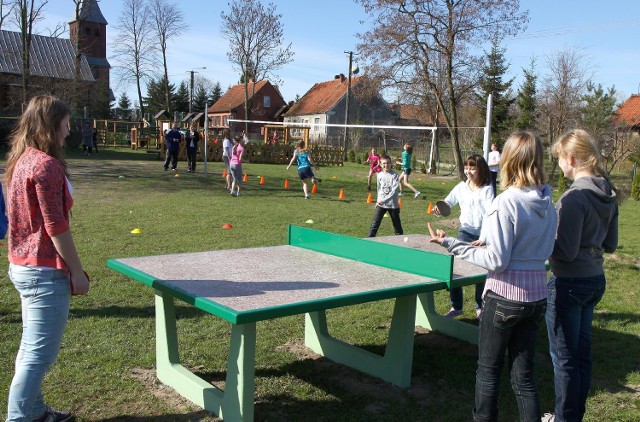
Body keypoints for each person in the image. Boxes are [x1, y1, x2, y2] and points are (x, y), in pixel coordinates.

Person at [428, 131, 557, 422]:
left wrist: (452, 244)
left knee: (488, 372)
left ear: (507, 160)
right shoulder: (549, 203)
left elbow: (496, 260)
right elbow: (546, 250)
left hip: (504, 300)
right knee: (523, 378)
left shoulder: (505, 202)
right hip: (536, 299)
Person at [3, 95, 90, 422]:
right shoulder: (45, 166)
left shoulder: (21, 159)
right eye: (66, 123)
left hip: (23, 266)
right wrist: (76, 271)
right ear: (51, 125)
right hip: (42, 272)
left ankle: (34, 410)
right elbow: (55, 224)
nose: (69, 131)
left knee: (30, 350)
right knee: (38, 355)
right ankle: (21, 417)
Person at [542, 129, 619, 422]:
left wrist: (544, 237)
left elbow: (566, 252)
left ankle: (565, 418)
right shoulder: (608, 192)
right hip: (594, 280)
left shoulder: (574, 198)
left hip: (569, 283)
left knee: (564, 359)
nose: (560, 166)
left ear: (570, 158)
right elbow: (610, 244)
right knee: (581, 355)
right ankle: (574, 415)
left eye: (559, 159)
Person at [434, 154, 494, 319]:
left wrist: (483, 238)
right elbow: (447, 203)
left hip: (483, 235)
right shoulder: (461, 187)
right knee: (454, 268)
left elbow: (490, 216)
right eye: (466, 167)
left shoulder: (487, 190)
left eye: (472, 167)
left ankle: (480, 307)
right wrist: (439, 209)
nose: (468, 171)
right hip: (465, 232)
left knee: (481, 272)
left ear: (480, 169)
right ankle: (457, 306)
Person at [367, 155, 403, 237]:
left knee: (397, 226)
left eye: (388, 163)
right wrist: (378, 200)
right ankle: (369, 241)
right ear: (380, 164)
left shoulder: (394, 175)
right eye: (384, 163)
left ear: (391, 163)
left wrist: (383, 200)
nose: (386, 165)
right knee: (375, 224)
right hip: (381, 204)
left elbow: (393, 191)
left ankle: (400, 242)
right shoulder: (379, 175)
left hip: (393, 205)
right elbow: (379, 189)